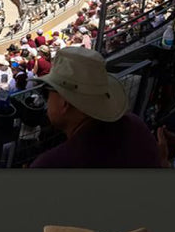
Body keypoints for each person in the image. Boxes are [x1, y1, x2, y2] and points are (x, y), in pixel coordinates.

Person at [30, 47, 162, 169]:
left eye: (46, 92)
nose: (46, 100)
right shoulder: (135, 125)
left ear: (65, 103)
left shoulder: (51, 165)